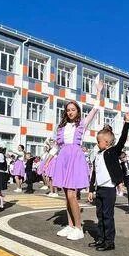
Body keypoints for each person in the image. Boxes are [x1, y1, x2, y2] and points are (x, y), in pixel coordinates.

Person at [53, 80, 104, 242]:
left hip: (75, 158)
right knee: (66, 196)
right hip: (63, 158)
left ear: (78, 111)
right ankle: (70, 225)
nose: (70, 112)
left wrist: (98, 92)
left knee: (72, 195)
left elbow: (95, 109)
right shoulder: (61, 127)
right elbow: (56, 146)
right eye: (68, 110)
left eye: (73, 109)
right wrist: (46, 161)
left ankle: (78, 227)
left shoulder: (81, 124)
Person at [87, 110, 129, 251]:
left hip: (109, 190)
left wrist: (126, 122)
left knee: (108, 216)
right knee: (100, 215)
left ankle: (109, 242)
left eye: (98, 142)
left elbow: (122, 140)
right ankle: (101, 239)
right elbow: (94, 174)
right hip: (99, 189)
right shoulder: (98, 156)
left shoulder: (112, 152)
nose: (97, 144)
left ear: (106, 142)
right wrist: (91, 190)